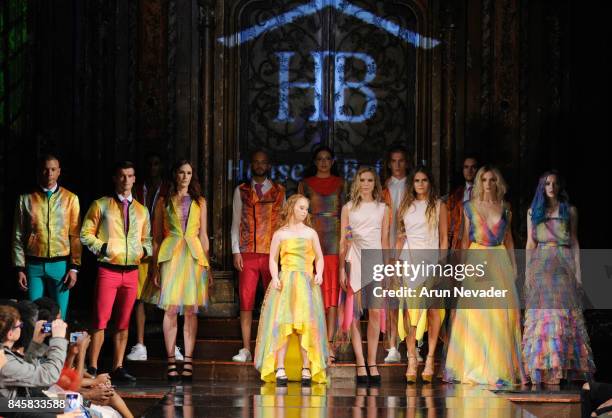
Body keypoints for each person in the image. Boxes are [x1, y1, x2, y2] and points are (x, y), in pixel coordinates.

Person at [443, 166, 525, 385]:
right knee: (476, 314)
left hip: (499, 260)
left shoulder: (505, 208)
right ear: (479, 182)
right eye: (484, 179)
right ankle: (473, 366)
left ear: (498, 183)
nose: (488, 184)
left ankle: (497, 369)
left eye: (492, 180)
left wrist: (514, 265)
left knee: (499, 315)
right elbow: (463, 240)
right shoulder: (469, 207)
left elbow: (508, 239)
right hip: (477, 257)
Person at [80, 161, 152, 382]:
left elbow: (147, 238)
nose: (125, 180)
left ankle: (118, 366)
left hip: (131, 271)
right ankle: (92, 366)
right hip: (108, 269)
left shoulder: (141, 210)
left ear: (134, 179)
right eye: (121, 176)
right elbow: (85, 233)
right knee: (100, 319)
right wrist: (103, 248)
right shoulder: (101, 204)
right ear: (115, 178)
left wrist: (144, 251)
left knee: (123, 321)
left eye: (129, 176)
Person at [522, 171, 595, 385]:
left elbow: (574, 241)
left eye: (554, 183)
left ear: (559, 186)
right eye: (547, 184)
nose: (551, 187)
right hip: (542, 265)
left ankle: (561, 365)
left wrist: (579, 273)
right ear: (542, 188)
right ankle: (542, 367)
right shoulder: (533, 212)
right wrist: (527, 273)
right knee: (544, 317)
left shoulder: (569, 211)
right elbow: (529, 243)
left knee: (563, 316)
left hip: (563, 265)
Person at [254, 194, 328, 385]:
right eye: (301, 208)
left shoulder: (310, 233)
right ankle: (280, 367)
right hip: (286, 282)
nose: (305, 212)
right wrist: (275, 276)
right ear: (292, 207)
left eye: (306, 209)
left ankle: (306, 366)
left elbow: (319, 257)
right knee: (283, 324)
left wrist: (318, 273)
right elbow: (273, 259)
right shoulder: (280, 234)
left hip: (305, 282)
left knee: (305, 325)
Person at [150, 159, 210, 382]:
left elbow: (203, 234)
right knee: (171, 309)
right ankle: (171, 361)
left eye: (189, 173)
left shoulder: (200, 202)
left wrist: (207, 264)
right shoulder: (163, 202)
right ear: (175, 174)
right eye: (181, 172)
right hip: (172, 255)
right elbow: (156, 237)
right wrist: (155, 266)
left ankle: (188, 360)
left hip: (194, 256)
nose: (185, 176)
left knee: (191, 310)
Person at [231, 150, 286, 362]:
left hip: (272, 253)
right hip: (248, 252)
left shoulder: (279, 191)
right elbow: (235, 223)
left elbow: (284, 223)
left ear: (269, 165)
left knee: (273, 301)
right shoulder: (241, 190)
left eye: (263, 162)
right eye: (256, 162)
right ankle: (246, 348)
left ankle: (270, 348)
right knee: (246, 301)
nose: (260, 165)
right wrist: (236, 250)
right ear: (251, 165)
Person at [12, 154, 81, 320]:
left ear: (59, 172)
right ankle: (34, 346)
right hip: (33, 265)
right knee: (32, 316)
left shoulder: (70, 199)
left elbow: (75, 235)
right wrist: (19, 267)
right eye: (45, 169)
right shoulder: (26, 199)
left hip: (60, 265)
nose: (49, 173)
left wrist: (74, 267)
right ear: (39, 172)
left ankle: (58, 346)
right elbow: (18, 235)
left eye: (53, 169)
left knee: (59, 316)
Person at [338, 167, 390, 384]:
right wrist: (342, 267)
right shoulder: (348, 208)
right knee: (356, 314)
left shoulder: (383, 208)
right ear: (357, 182)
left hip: (375, 259)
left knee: (376, 312)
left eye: (370, 180)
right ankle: (360, 362)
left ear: (374, 183)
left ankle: (372, 362)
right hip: (355, 258)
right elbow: (344, 239)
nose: (366, 183)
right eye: (362, 180)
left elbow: (385, 240)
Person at [396, 166, 448, 382]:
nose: (420, 184)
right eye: (416, 180)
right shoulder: (405, 206)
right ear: (412, 183)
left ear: (430, 182)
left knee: (434, 310)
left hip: (432, 260)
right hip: (410, 261)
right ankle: (411, 359)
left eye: (424, 180)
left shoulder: (438, 205)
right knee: (410, 312)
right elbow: (401, 236)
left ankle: (429, 359)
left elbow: (444, 237)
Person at [298, 145, 344, 362]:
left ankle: (329, 345)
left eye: (327, 158)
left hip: (335, 242)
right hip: (312, 243)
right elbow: (299, 215)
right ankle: (314, 343)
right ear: (315, 161)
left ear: (333, 161)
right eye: (320, 158)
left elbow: (347, 215)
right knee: (314, 294)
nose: (324, 162)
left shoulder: (342, 184)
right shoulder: (305, 185)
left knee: (332, 296)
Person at [127, 152, 174, 362]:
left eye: (157, 163)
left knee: (168, 297)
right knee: (140, 297)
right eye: (150, 164)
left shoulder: (168, 190)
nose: (153, 167)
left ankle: (173, 346)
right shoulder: (138, 189)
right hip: (140, 246)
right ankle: (140, 343)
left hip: (164, 246)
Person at [381, 145, 411, 364]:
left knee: (411, 301)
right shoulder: (382, 189)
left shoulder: (415, 186)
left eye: (401, 161)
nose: (398, 165)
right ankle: (392, 345)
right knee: (391, 298)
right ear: (389, 163)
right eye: (394, 161)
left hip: (410, 249)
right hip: (389, 249)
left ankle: (412, 346)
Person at [0, 304, 68, 399]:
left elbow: (27, 376)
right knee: (72, 405)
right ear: (10, 334)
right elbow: (50, 375)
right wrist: (58, 339)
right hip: (14, 409)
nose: (21, 327)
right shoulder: (5, 362)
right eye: (20, 325)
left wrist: (36, 342)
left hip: (18, 405)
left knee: (67, 401)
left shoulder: (5, 356)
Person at [447, 156, 478, 250]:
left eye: (473, 167)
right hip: (459, 242)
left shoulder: (485, 193)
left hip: (479, 241)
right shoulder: (456, 194)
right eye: (466, 167)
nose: (469, 170)